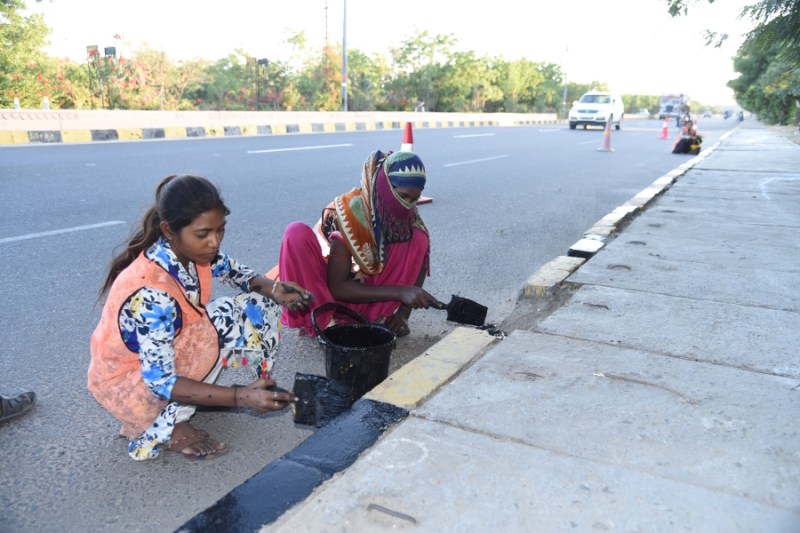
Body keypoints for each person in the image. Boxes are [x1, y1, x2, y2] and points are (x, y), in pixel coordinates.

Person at [88, 175, 313, 461]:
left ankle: (195, 397)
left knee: (249, 305)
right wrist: (238, 397)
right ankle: (162, 425)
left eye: (220, 231)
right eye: (203, 233)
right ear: (170, 230)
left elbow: (234, 272)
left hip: (157, 362)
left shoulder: (188, 252)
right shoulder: (152, 293)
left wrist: (274, 288)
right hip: (128, 384)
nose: (214, 242)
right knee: (210, 329)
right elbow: (160, 381)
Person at [278, 150, 439, 338]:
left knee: (419, 238)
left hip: (368, 302)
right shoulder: (351, 214)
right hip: (327, 297)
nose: (407, 206)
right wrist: (400, 292)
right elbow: (336, 287)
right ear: (385, 187)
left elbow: (418, 266)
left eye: (414, 199)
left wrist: (403, 315)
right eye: (403, 196)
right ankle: (324, 323)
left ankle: (371, 317)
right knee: (295, 232)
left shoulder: (410, 224)